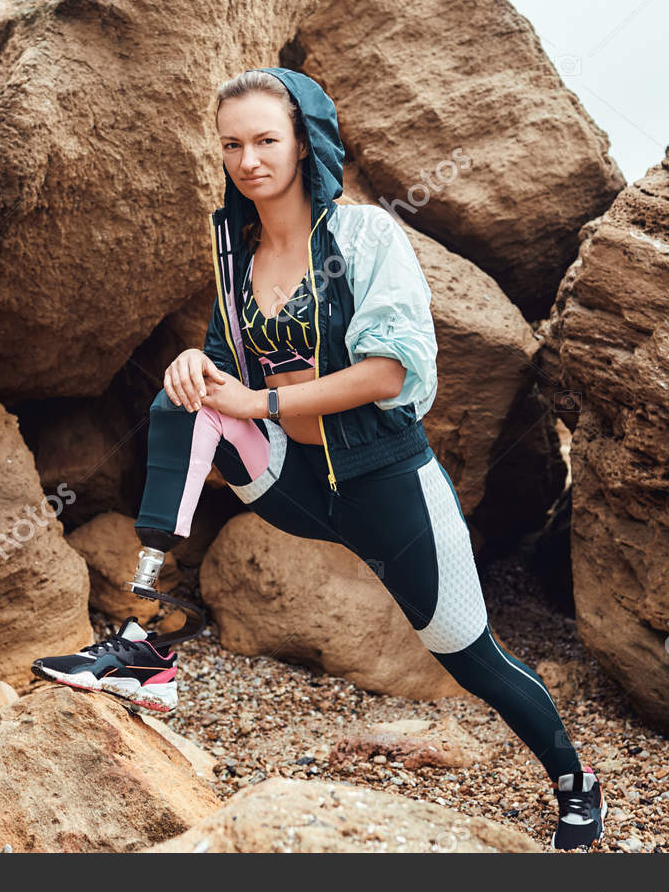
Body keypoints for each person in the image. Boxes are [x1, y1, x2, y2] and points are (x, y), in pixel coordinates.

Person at [32, 68, 605, 849]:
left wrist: (260, 402)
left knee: (473, 658)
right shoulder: (232, 252)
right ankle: (144, 640)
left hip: (384, 483)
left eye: (267, 140)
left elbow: (389, 372)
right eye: (232, 144)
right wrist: (194, 370)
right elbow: (221, 362)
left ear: (303, 141)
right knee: (183, 399)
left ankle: (575, 781)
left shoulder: (365, 235)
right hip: (291, 483)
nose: (249, 160)